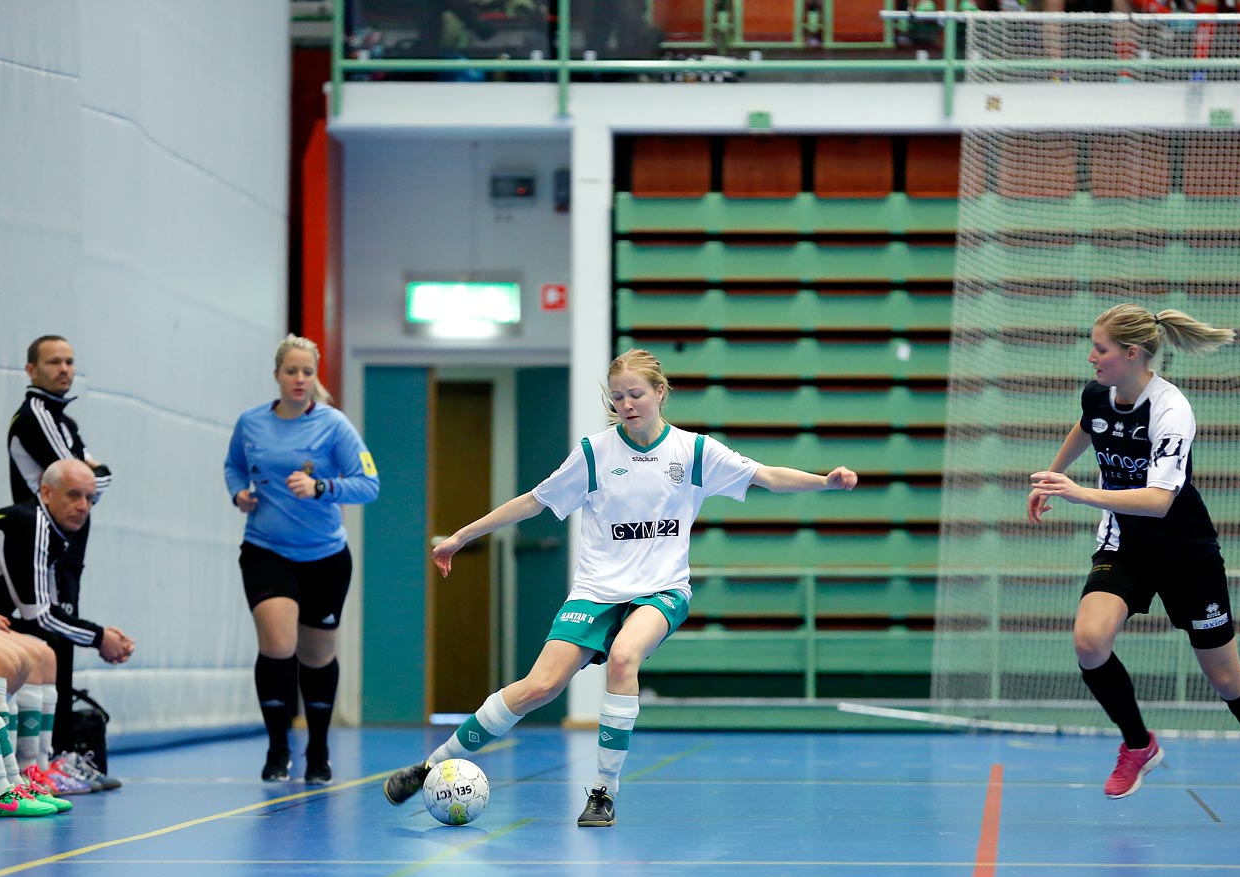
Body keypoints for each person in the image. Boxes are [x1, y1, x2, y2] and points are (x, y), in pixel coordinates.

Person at [383, 348, 858, 827]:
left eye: (636, 394)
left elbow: (768, 476)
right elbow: (533, 502)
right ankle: (428, 767)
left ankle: (602, 794)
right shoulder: (594, 453)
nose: (627, 405)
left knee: (625, 657)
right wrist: (462, 536)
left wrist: (825, 481)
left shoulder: (693, 452)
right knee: (538, 687)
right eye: (618, 398)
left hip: (661, 590)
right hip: (596, 589)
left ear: (660, 393)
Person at [1027, 304, 1240, 827]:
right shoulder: (1098, 394)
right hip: (1125, 545)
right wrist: (1053, 473)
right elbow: (1089, 425)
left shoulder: (1171, 410)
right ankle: (1139, 745)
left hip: (1185, 554)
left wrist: (1080, 492)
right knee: (1090, 643)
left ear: (1132, 354)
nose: (1092, 357)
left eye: (1101, 349)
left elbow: (1159, 499)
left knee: (1226, 679)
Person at [223, 335, 380, 785]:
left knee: (316, 656)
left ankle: (318, 748)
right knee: (277, 644)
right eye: (291, 371)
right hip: (266, 550)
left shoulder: (333, 425)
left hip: (325, 557)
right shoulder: (251, 423)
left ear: (315, 377)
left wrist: (322, 488)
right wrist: (239, 493)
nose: (299, 379)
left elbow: (369, 484)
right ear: (277, 375)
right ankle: (277, 750)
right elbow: (233, 466)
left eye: (307, 372)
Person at [0, 458, 131, 792]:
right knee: (39, 649)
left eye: (90, 498)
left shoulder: (50, 530)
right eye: (74, 495)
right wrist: (101, 638)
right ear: (46, 492)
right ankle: (4, 774)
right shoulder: (31, 524)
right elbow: (39, 615)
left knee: (46, 652)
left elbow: (45, 609)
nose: (83, 506)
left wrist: (100, 636)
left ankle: (37, 766)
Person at [8, 335, 113, 757]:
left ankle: (58, 754)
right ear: (31, 369)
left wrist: (93, 472)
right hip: (43, 548)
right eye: (54, 362)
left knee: (61, 649)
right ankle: (46, 758)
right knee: (48, 641)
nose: (64, 369)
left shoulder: (64, 421)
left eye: (70, 362)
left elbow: (93, 479)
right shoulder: (37, 416)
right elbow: (87, 478)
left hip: (67, 550)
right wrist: (91, 472)